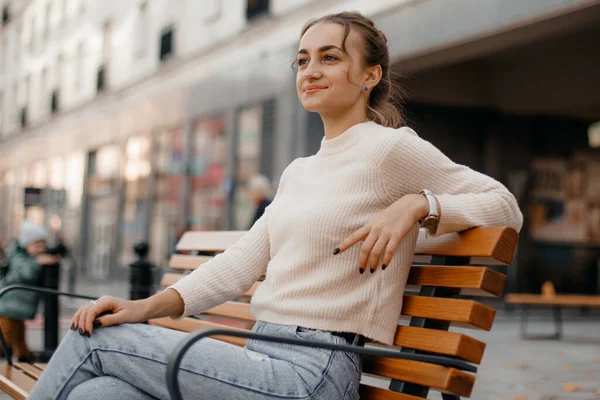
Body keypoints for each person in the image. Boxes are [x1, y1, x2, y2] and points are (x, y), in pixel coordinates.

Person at [29, 11, 523, 400]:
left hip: (310, 373)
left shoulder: (390, 149)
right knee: (101, 392)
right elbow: (240, 264)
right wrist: (145, 307)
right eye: (303, 60)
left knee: (91, 339)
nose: (310, 71)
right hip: (259, 362)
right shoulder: (299, 171)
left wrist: (419, 204)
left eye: (329, 58)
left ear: (370, 74)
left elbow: (503, 205)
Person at [0, 220, 60, 362]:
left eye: (42, 244)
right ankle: (15, 355)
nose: (41, 248)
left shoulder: (25, 256)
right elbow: (24, 275)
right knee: (5, 337)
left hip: (16, 307)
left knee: (19, 334)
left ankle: (24, 356)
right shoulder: (18, 257)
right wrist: (37, 262)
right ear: (26, 244)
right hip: (8, 305)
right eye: (36, 245)